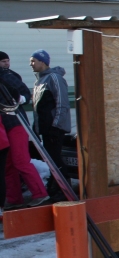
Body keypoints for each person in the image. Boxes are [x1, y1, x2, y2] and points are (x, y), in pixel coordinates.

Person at [0, 52, 48, 208]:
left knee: (20, 160)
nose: (6, 64)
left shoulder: (7, 76)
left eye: (7, 61)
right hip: (4, 127)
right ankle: (13, 198)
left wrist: (17, 99)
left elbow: (25, 94)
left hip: (15, 123)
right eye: (3, 61)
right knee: (8, 164)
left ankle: (40, 193)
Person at [30, 50, 71, 200]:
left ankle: (64, 188)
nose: (31, 64)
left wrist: (56, 126)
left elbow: (62, 103)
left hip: (54, 128)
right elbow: (38, 108)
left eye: (33, 60)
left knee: (55, 158)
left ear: (43, 62)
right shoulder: (39, 81)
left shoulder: (55, 78)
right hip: (45, 128)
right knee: (51, 160)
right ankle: (55, 186)